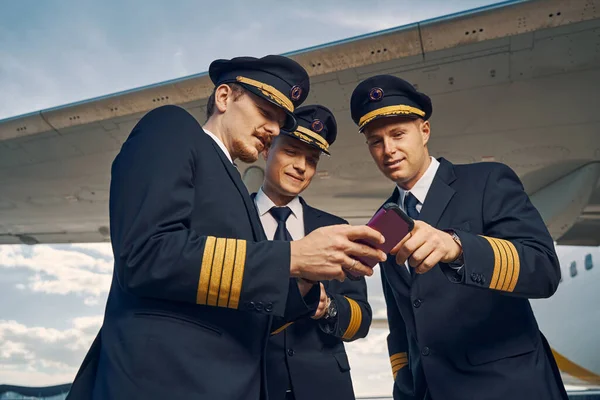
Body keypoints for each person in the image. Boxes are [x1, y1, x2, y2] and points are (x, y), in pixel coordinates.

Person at [67, 55, 386, 400]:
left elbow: (245, 310)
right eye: (266, 113)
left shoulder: (231, 185)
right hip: (166, 383)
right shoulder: (172, 127)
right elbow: (146, 255)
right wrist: (291, 258)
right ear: (223, 97)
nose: (274, 129)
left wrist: (305, 281)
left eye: (280, 122)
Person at [349, 75, 568, 400]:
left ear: (425, 131)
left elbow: (544, 270)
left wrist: (459, 247)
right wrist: (408, 386)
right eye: (375, 141)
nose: (388, 150)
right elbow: (401, 322)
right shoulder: (385, 219)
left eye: (398, 134)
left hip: (509, 387)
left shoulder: (487, 182)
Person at [252, 105, 372, 400]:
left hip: (325, 388)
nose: (301, 167)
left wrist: (327, 306)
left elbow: (362, 319)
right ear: (267, 149)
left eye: (311, 160)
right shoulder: (231, 218)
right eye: (291, 152)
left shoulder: (335, 227)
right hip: (253, 385)